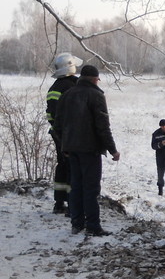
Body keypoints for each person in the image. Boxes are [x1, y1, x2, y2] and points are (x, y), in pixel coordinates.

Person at [53, 64, 120, 237]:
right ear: (94, 79)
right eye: (98, 79)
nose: (98, 82)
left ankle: (76, 224)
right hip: (90, 150)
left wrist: (64, 145)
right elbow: (102, 126)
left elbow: (57, 125)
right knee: (90, 189)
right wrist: (113, 150)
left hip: (71, 149)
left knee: (75, 187)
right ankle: (93, 226)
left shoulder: (67, 95)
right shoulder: (96, 95)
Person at [45, 53, 82, 215]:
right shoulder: (73, 86)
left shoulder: (54, 87)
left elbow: (50, 113)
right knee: (73, 167)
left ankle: (59, 202)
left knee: (62, 165)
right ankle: (72, 203)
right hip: (70, 135)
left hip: (57, 133)